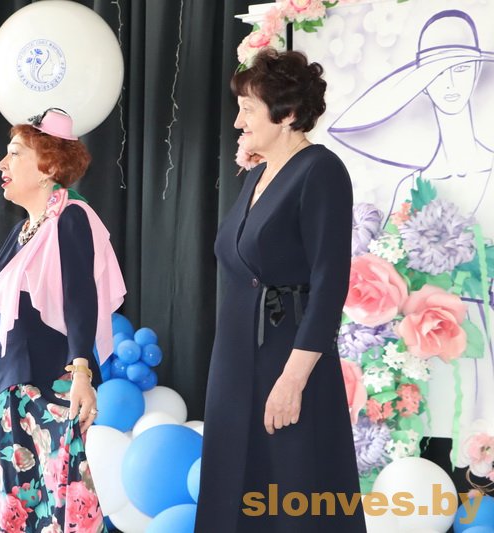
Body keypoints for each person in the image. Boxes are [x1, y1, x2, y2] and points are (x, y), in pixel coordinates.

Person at [195, 49, 365, 532]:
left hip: (287, 359)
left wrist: (293, 380)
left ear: (287, 114)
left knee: (291, 491)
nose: (237, 121)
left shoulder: (320, 170)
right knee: (233, 491)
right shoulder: (258, 173)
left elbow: (329, 283)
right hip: (235, 361)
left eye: (248, 109)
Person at [0, 108, 126, 532]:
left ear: (47, 166)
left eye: (14, 153)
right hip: (6, 386)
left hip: (49, 386)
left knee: (56, 507)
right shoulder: (23, 230)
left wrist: (81, 372)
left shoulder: (71, 216)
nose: (1, 164)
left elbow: (80, 298)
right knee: (13, 510)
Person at [329, 9, 494, 438]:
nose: (451, 83)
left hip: (485, 331)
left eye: (461, 68)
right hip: (427, 342)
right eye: (438, 72)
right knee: (438, 432)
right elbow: (390, 269)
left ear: (478, 71)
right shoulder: (410, 186)